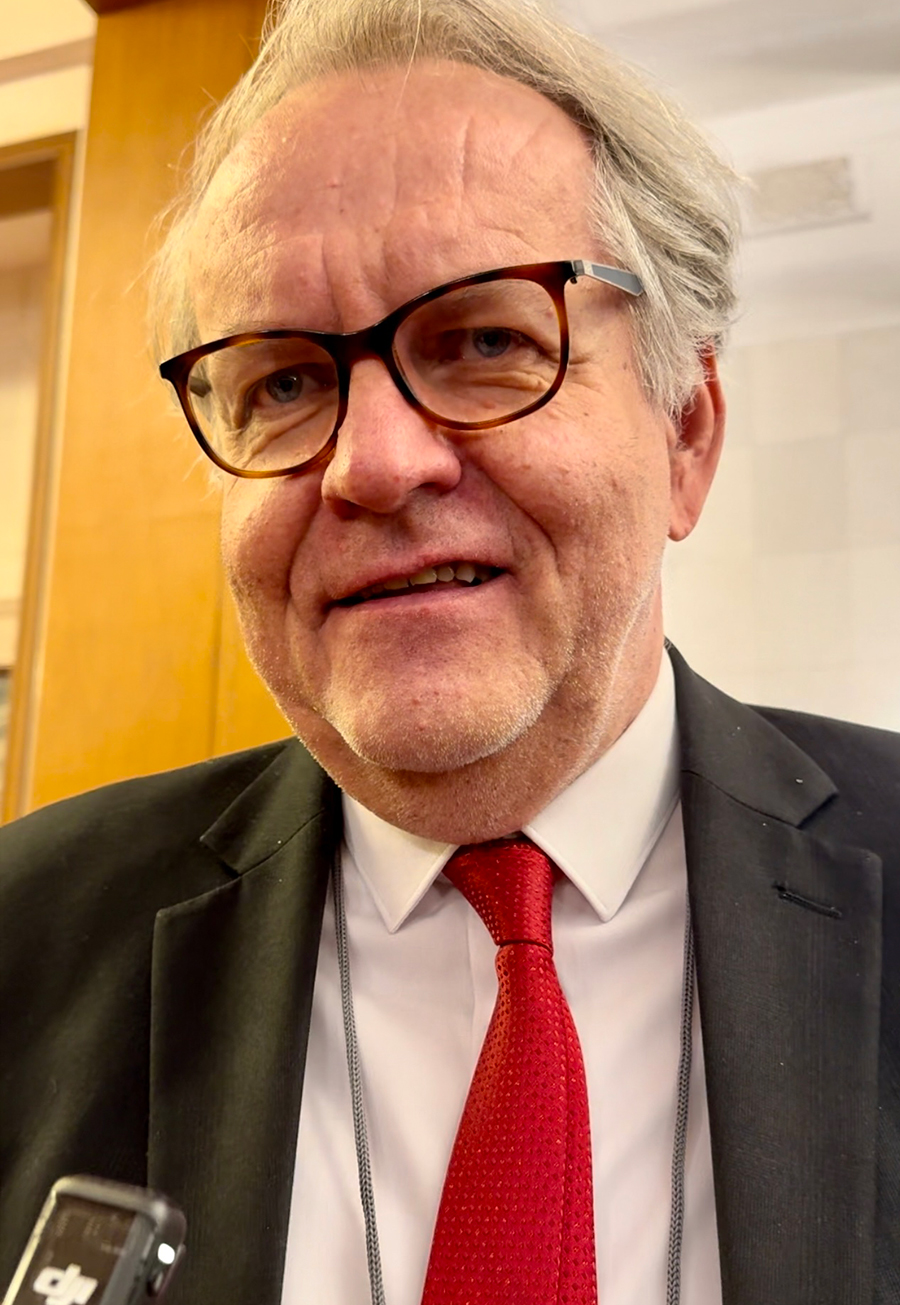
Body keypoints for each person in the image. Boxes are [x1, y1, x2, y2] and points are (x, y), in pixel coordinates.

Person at [1, 0, 897, 1302]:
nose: (372, 464)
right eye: (283, 383)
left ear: (685, 434)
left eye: (484, 342)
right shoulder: (26, 943)